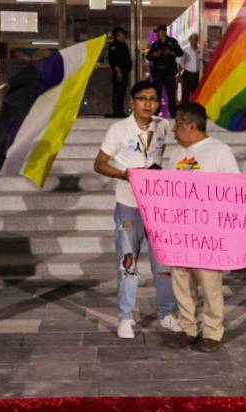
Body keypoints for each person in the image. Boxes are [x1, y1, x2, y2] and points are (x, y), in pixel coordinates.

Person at [162, 102, 246, 353]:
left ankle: (212, 332)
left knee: (209, 283)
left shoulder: (219, 151)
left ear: (190, 126)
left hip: (208, 233)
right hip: (179, 231)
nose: (173, 131)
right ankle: (188, 328)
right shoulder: (175, 156)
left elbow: (234, 189)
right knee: (181, 282)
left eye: (177, 125)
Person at [94, 81, 180, 338]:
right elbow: (99, 164)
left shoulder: (162, 125)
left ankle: (167, 313)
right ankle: (125, 318)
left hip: (158, 205)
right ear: (132, 101)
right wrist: (125, 175)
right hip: (129, 205)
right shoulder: (118, 129)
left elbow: (160, 155)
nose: (148, 103)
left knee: (164, 262)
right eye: (142, 98)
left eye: (153, 99)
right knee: (128, 263)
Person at [145, 26, 183, 118]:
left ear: (163, 32)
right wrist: (154, 54)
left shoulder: (172, 42)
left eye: (158, 32)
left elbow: (180, 53)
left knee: (170, 93)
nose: (157, 34)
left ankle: (173, 114)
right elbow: (148, 56)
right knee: (157, 93)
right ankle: (156, 113)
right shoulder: (155, 44)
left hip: (169, 72)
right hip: (158, 73)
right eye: (157, 32)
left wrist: (170, 52)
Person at [107, 27, 132, 118]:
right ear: (118, 34)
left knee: (122, 92)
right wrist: (118, 71)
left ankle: (120, 111)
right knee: (117, 92)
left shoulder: (123, 45)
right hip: (119, 73)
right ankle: (116, 112)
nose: (124, 36)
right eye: (122, 34)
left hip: (124, 72)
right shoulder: (114, 45)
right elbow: (113, 60)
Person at [180, 33, 200, 102]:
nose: (194, 41)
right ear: (189, 40)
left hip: (197, 75)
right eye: (192, 39)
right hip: (187, 75)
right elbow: (181, 63)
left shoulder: (200, 50)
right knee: (185, 95)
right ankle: (184, 110)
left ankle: (194, 111)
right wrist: (179, 75)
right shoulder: (186, 51)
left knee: (196, 95)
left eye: (196, 39)